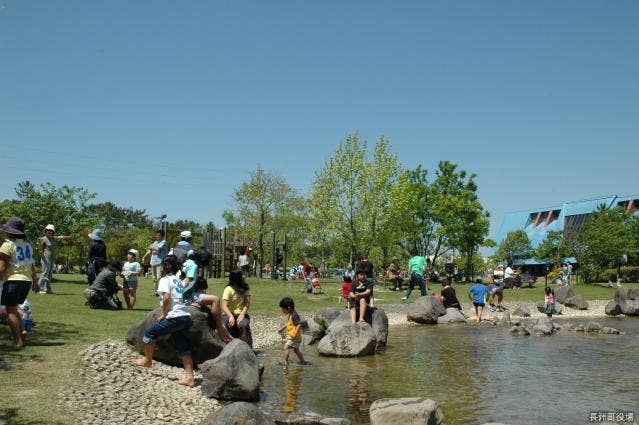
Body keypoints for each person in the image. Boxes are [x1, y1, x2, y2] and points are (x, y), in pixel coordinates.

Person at [132, 255, 195, 387]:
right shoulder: (178, 280)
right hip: (185, 317)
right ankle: (190, 377)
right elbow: (181, 290)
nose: (161, 267)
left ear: (168, 266)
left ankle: (147, 360)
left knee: (149, 333)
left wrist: (164, 313)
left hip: (175, 316)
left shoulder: (165, 279)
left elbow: (166, 297)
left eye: (163, 264)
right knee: (182, 346)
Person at [0, 217, 40, 348]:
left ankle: (17, 341)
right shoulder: (27, 245)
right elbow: (32, 265)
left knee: (10, 310)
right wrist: (36, 281)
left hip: (13, 280)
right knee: (14, 308)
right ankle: (22, 332)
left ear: (9, 232)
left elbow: (3, 267)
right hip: (26, 281)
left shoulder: (7, 245)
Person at [189, 277, 233, 343]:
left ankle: (221, 328)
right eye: (203, 290)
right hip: (192, 296)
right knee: (216, 299)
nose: (203, 292)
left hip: (192, 295)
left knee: (212, 308)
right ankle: (220, 327)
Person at [222, 269, 252, 347]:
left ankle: (245, 347)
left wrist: (242, 314)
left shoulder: (245, 288)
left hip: (241, 313)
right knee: (223, 326)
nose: (243, 276)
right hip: (228, 314)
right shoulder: (228, 289)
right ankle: (225, 347)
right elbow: (224, 305)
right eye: (241, 275)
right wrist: (231, 316)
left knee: (243, 325)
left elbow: (247, 303)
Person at [37, 224, 69, 294]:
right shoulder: (42, 239)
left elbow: (59, 237)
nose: (49, 232)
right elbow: (40, 250)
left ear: (53, 232)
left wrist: (66, 236)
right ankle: (39, 288)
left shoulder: (53, 238)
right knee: (44, 273)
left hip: (52, 258)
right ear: (45, 231)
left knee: (50, 274)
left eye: (51, 231)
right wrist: (43, 259)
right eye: (48, 230)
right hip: (45, 258)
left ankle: (48, 289)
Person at [277, 297, 307, 368]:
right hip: (294, 337)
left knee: (286, 347)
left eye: (283, 309)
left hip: (294, 337)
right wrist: (281, 329)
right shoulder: (291, 313)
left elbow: (298, 324)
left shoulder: (294, 315)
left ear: (288, 308)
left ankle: (286, 363)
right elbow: (288, 323)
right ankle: (303, 362)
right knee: (296, 350)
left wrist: (295, 333)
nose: (282, 310)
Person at [142, 229, 167, 294]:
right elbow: (150, 251)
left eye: (158, 235)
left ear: (162, 236)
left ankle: (160, 291)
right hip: (153, 262)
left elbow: (158, 249)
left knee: (159, 277)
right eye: (156, 235)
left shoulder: (164, 242)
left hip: (160, 262)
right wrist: (144, 257)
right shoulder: (155, 242)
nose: (157, 236)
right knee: (154, 278)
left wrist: (151, 247)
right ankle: (156, 291)